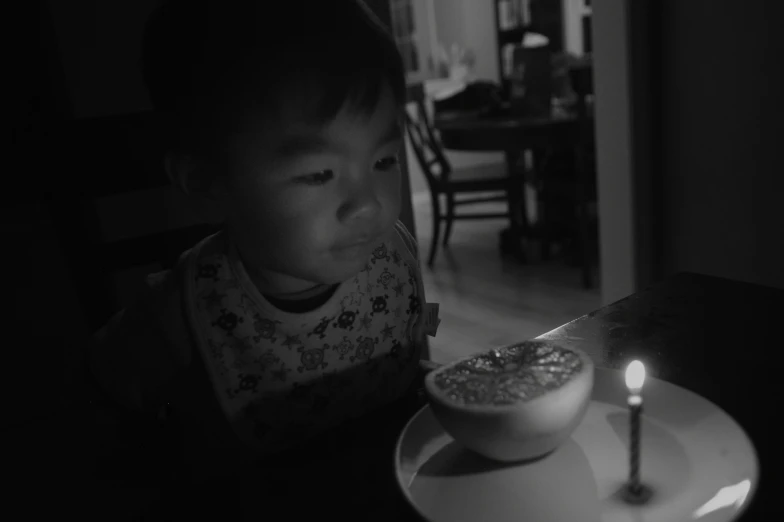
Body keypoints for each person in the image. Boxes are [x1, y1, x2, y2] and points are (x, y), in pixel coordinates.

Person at [87, 0, 435, 518]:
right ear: (206, 183)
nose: (369, 203)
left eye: (383, 160)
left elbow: (406, 383)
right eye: (319, 174)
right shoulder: (180, 314)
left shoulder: (392, 261)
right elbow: (99, 405)